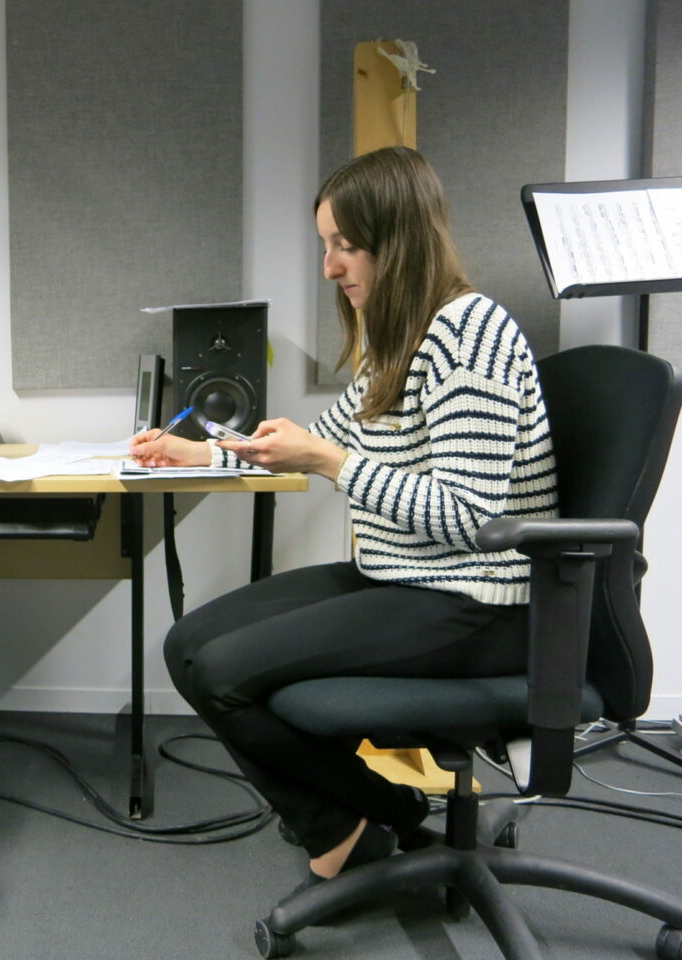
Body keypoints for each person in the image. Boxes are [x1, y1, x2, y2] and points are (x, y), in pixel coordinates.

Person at [130, 146, 557, 893]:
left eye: (344, 246)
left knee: (226, 673)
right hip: (398, 577)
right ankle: (354, 822)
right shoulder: (393, 342)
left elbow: (469, 517)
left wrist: (329, 462)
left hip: (475, 599)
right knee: (188, 644)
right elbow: (312, 447)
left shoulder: (471, 333)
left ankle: (367, 817)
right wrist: (201, 454)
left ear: (400, 242)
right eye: (326, 245)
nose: (329, 266)